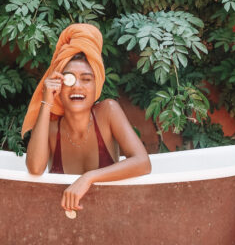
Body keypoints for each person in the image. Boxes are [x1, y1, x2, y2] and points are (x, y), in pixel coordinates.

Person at [22, 23, 151, 213]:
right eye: (69, 79)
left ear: (96, 85)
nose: (77, 87)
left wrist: (88, 178)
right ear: (58, 84)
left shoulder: (108, 112)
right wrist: (46, 101)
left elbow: (143, 163)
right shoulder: (50, 127)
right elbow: (34, 168)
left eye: (86, 79)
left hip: (111, 218)